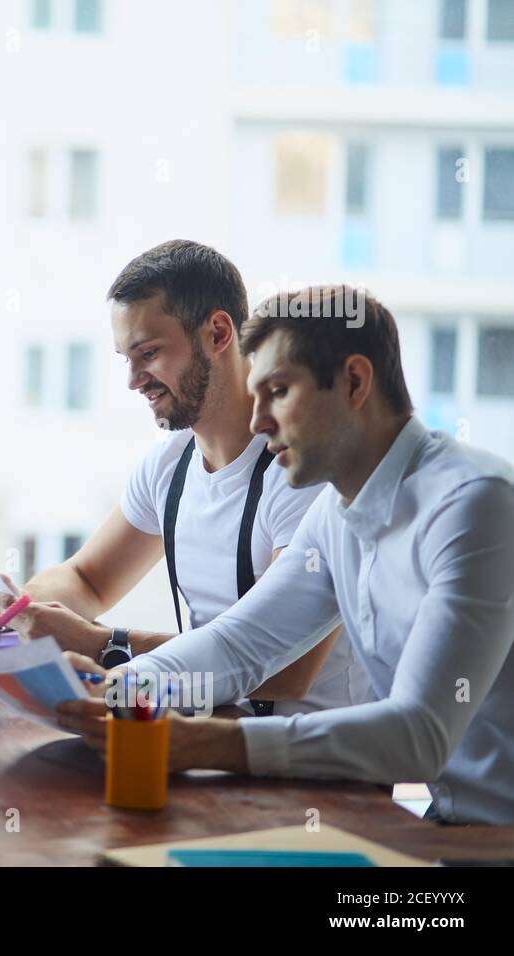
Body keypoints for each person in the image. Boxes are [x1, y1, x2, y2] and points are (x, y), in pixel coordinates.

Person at [57, 286, 514, 825]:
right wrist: (120, 687)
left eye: (278, 391)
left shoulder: (475, 505)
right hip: (448, 830)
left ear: (354, 382)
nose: (258, 422)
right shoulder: (336, 512)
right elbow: (239, 645)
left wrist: (209, 743)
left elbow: (419, 736)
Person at [0, 240, 360, 716]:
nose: (133, 380)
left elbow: (285, 669)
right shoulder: (170, 463)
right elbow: (87, 579)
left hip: (309, 769)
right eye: (126, 357)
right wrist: (11, 609)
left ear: (219, 333)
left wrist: (105, 644)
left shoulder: (303, 472)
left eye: (148, 353)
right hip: (210, 735)